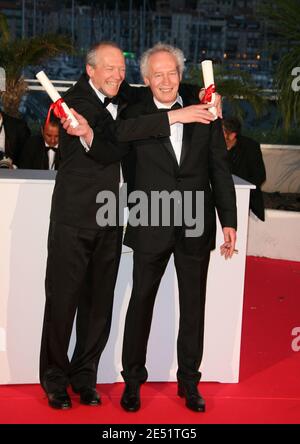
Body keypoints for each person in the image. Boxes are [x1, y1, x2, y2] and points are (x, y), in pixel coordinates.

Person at [40, 40, 218, 410]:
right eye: (109, 68)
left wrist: (204, 94)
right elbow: (111, 144)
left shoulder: (124, 97)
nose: (116, 75)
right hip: (73, 220)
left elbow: (166, 85)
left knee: (98, 306)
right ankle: (55, 380)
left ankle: (84, 377)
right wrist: (86, 133)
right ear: (90, 70)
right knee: (63, 304)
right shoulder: (75, 102)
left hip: (110, 218)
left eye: (121, 69)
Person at [115, 43, 237, 413]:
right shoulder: (134, 112)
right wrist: (178, 117)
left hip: (196, 224)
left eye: (172, 73)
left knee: (194, 307)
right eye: (158, 74)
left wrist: (228, 219)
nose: (166, 81)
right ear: (146, 79)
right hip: (151, 220)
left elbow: (219, 168)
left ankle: (189, 382)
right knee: (141, 304)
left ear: (181, 75)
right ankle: (132, 381)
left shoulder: (205, 109)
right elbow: (119, 135)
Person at [222, 117, 266, 221]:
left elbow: (259, 176)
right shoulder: (214, 147)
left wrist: (240, 190)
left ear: (232, 135)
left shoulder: (250, 147)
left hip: (244, 200)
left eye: (221, 132)